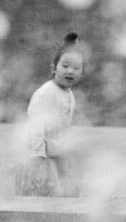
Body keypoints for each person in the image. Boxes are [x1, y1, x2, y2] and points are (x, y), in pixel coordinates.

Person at [15, 32, 84, 196]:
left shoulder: (68, 94)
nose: (70, 72)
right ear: (54, 68)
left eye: (76, 68)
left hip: (54, 148)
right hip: (37, 148)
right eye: (65, 66)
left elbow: (64, 125)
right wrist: (37, 153)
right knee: (35, 188)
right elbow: (36, 124)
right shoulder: (47, 93)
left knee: (67, 185)